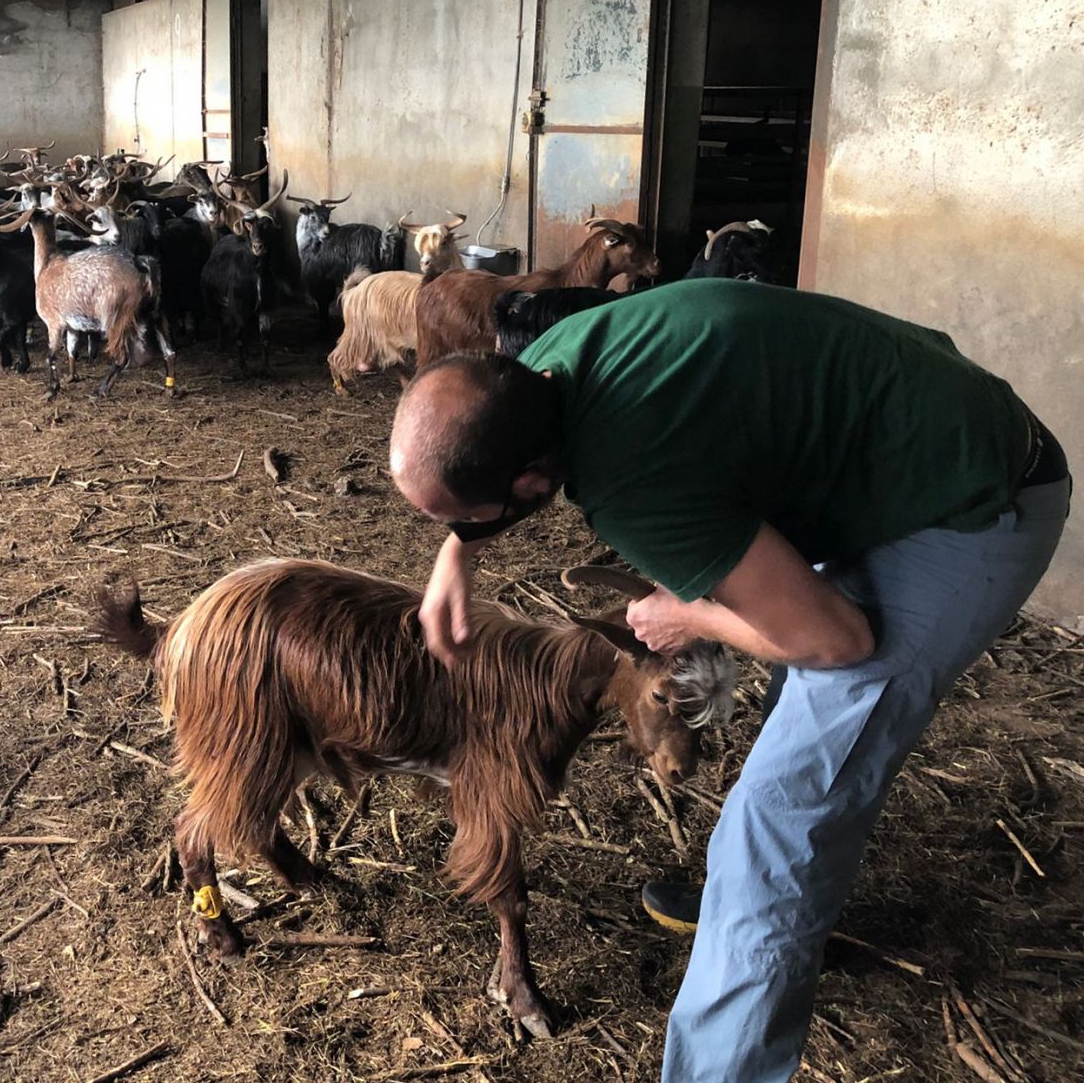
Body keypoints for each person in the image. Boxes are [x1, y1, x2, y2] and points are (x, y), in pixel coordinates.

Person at [388, 278, 1069, 1083]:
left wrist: (692, 616)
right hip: (902, 448)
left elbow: (838, 638)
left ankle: (735, 1011)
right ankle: (753, 920)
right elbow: (483, 427)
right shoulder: (542, 368)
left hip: (971, 507)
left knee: (779, 819)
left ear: (532, 486)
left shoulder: (631, 482)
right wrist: (455, 555)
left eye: (467, 520)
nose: (461, 535)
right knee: (798, 740)